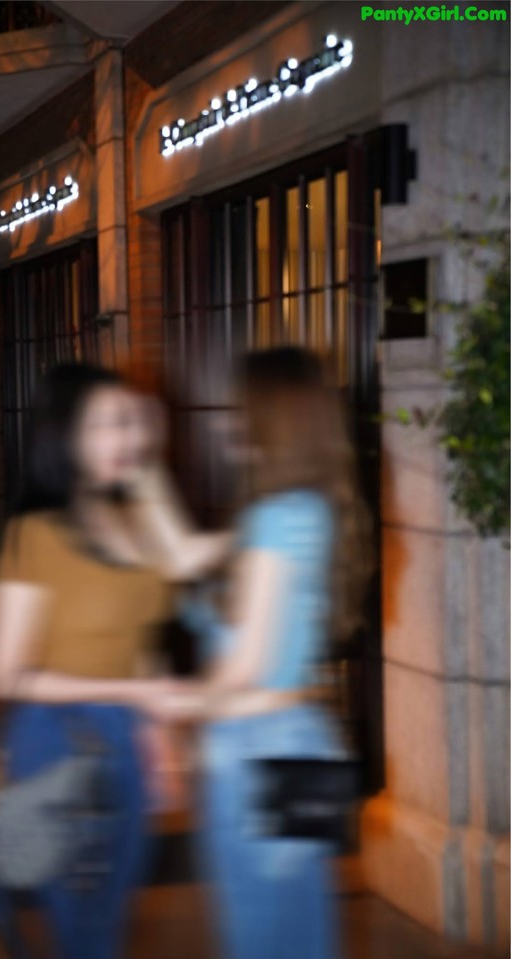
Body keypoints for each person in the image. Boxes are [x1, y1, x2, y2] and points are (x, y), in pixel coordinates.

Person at [0, 363, 231, 959]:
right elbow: (5, 674)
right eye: (110, 424)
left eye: (132, 423)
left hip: (126, 738)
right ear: (67, 435)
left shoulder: (133, 516)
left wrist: (164, 735)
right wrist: (134, 696)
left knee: (110, 920)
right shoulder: (37, 532)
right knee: (82, 932)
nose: (129, 438)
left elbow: (155, 613)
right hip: (57, 746)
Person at [150, 347, 373, 959]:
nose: (227, 420)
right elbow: (184, 556)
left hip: (255, 750)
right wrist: (144, 472)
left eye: (239, 407)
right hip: (303, 737)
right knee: (301, 929)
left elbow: (244, 663)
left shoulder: (274, 520)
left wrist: (176, 706)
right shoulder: (308, 511)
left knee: (261, 935)